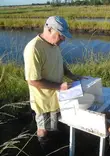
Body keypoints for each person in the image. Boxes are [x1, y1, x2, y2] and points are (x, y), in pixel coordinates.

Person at [23, 16, 83, 153]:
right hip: (43, 100)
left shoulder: (53, 44)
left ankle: (55, 144)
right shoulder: (34, 48)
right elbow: (32, 80)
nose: (63, 39)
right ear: (49, 29)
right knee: (43, 129)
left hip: (57, 96)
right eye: (61, 36)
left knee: (54, 125)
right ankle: (45, 149)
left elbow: (59, 62)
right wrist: (60, 87)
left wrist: (71, 75)